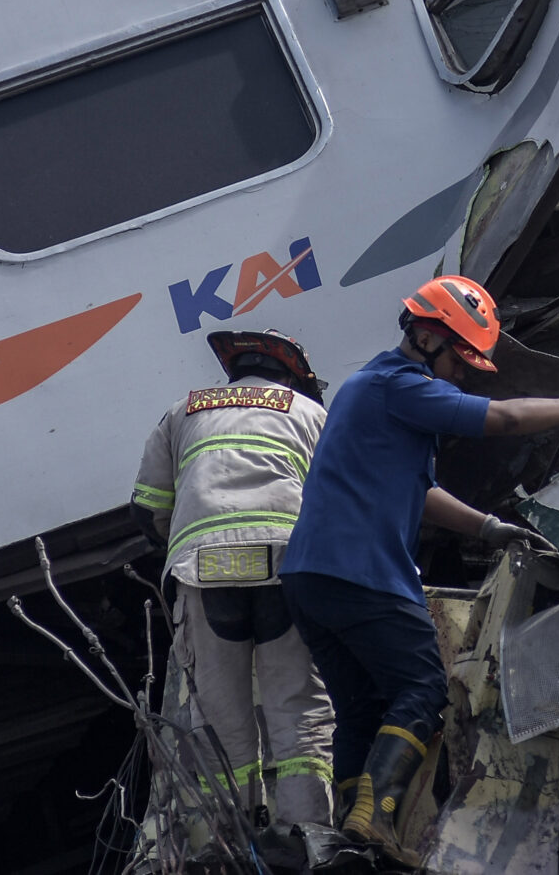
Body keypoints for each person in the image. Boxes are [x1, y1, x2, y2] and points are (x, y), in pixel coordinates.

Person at [279, 275, 559, 856]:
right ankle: (376, 822)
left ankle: (351, 839)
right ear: (427, 336)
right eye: (460, 357)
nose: (463, 372)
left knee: (361, 709)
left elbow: (419, 491)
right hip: (361, 571)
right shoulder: (396, 384)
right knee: (423, 687)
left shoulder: (369, 393)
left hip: (311, 578)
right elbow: (499, 419)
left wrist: (489, 527)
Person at [132, 328, 337, 856]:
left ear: (234, 371)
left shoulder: (182, 411)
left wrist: (187, 543)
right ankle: (308, 838)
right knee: (298, 704)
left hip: (206, 569)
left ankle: (234, 843)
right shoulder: (309, 412)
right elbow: (340, 501)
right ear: (292, 375)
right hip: (287, 562)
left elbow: (148, 506)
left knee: (220, 717)